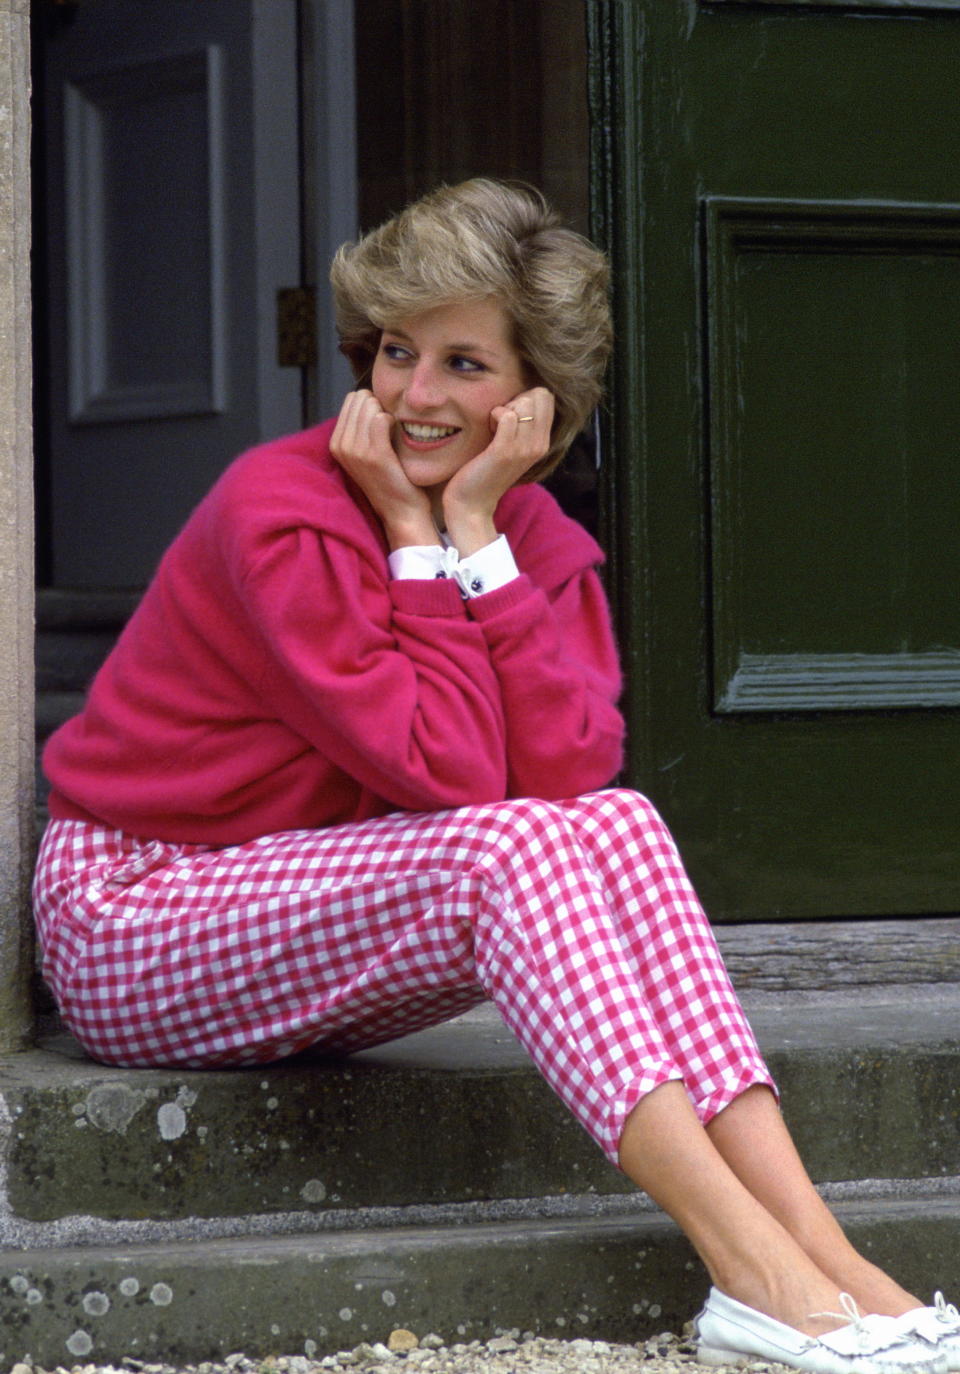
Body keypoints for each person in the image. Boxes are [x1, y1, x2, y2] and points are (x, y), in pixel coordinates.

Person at [33, 179, 957, 1374]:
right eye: (399, 352)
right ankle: (751, 1270)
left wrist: (475, 534)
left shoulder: (533, 545)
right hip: (138, 918)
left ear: (535, 398)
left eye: (464, 365)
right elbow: (455, 778)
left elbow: (571, 769)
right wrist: (420, 543)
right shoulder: (283, 513)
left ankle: (830, 1257)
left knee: (615, 823)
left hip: (305, 907)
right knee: (507, 845)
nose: (416, 396)